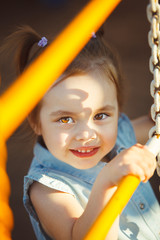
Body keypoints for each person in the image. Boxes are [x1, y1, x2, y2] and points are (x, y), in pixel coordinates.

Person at [1, 25, 160, 240]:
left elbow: (153, 124)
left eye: (101, 115)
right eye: (65, 119)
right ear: (35, 121)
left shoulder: (119, 133)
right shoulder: (46, 189)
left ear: (117, 109)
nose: (86, 135)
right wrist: (106, 181)